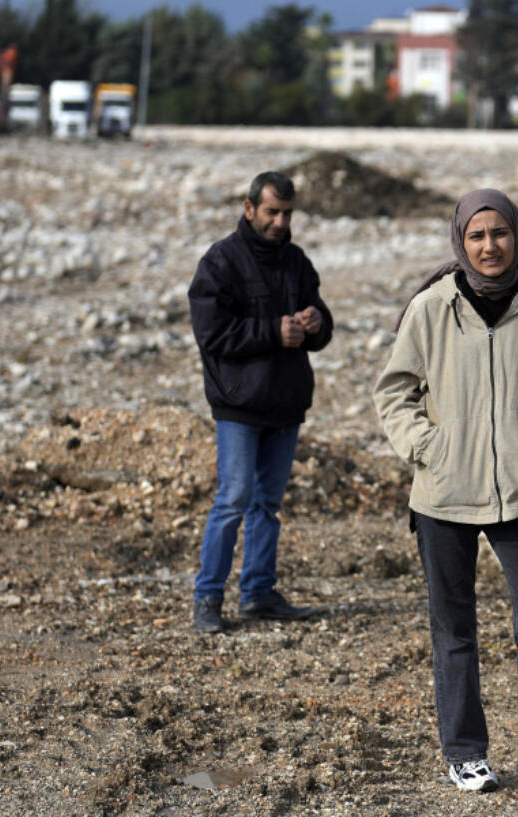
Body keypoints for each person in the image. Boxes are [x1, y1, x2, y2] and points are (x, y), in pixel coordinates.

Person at [374, 189, 518, 810]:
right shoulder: (431, 308)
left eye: (499, 233)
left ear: (516, 236)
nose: (489, 246)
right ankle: (465, 754)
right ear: (460, 241)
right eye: (476, 236)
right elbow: (394, 391)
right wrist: (430, 447)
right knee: (454, 628)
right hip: (444, 492)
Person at [187, 171, 334, 633]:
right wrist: (273, 331)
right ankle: (208, 599)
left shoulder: (297, 261)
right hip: (240, 405)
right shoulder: (220, 262)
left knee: (267, 504)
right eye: (272, 211)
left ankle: (258, 594)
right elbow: (210, 334)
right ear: (249, 209)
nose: (280, 221)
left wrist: (315, 322)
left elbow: (324, 327)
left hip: (286, 402)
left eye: (287, 213)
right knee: (233, 499)